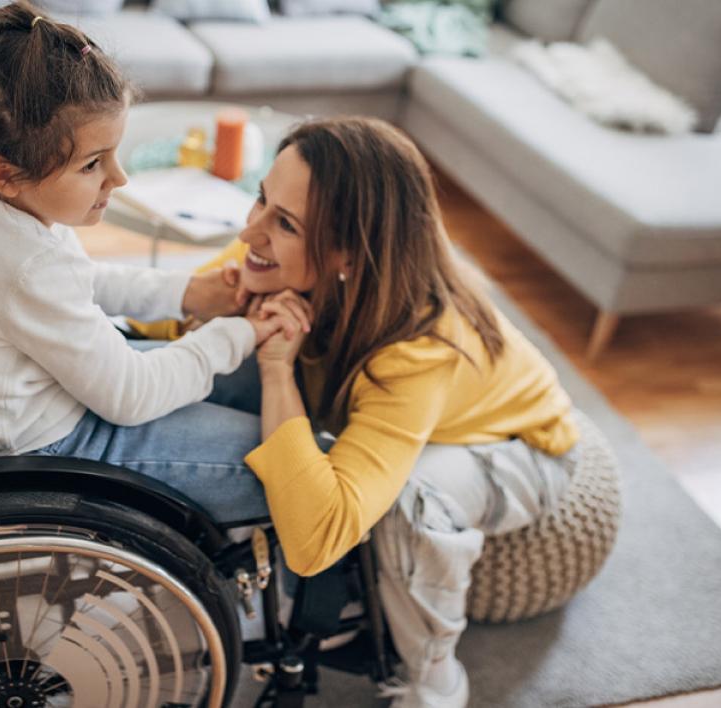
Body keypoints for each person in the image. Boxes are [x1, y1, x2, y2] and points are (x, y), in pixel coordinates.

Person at [148, 116, 581, 707]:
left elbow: (315, 541)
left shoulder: (419, 349)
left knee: (412, 498)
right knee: (231, 347)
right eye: (261, 199)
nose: (250, 230)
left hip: (517, 448)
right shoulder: (273, 254)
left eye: (285, 223)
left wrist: (276, 370)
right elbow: (148, 332)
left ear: (348, 255)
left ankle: (434, 681)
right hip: (409, 408)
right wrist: (209, 308)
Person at [0, 1, 303, 522]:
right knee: (291, 466)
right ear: (2, 172)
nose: (119, 178)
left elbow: (81, 282)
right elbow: (131, 396)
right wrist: (241, 332)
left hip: (38, 407)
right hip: (41, 454)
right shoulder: (24, 262)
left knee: (254, 383)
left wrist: (188, 293)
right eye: (93, 164)